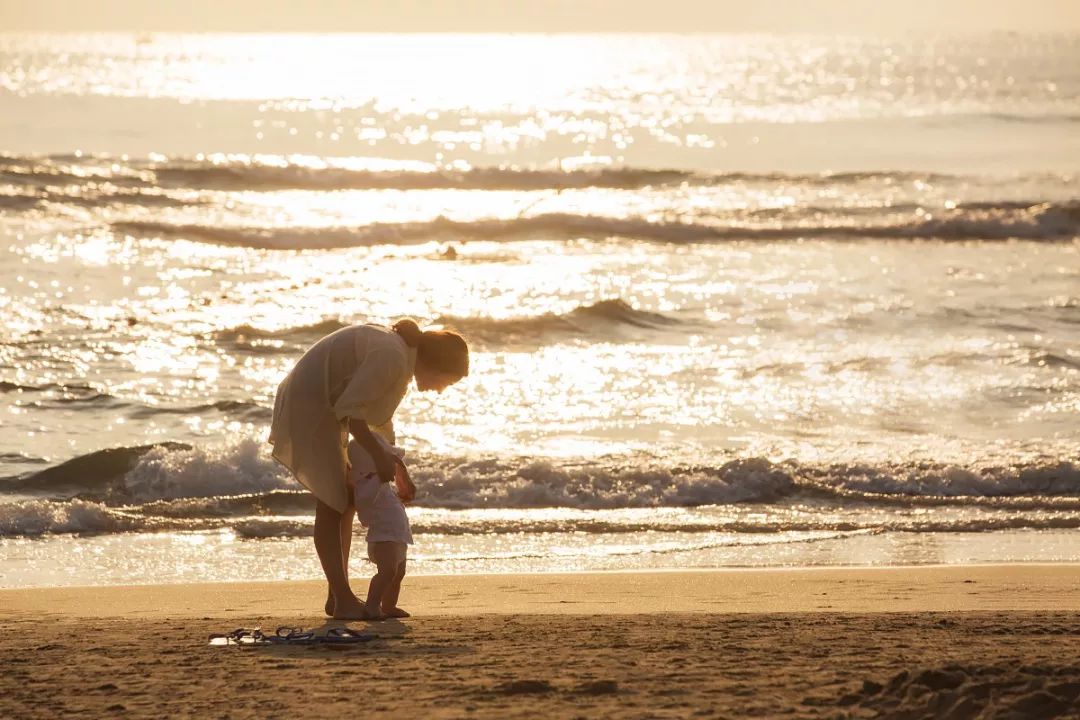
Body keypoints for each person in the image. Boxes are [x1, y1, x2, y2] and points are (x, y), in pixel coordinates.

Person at [268, 319, 468, 619]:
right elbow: (352, 411)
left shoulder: (400, 360)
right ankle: (342, 597)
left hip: (326, 403)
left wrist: (393, 463)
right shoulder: (394, 358)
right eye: (446, 381)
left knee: (345, 499)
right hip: (311, 402)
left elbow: (377, 424)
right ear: (435, 364)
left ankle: (338, 595)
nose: (441, 390)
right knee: (332, 502)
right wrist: (378, 455)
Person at [349, 434, 415, 620]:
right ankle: (372, 605)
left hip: (397, 535)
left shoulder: (382, 483)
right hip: (383, 536)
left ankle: (389, 605)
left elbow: (397, 467)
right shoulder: (370, 483)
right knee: (387, 572)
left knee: (398, 572)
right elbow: (364, 509)